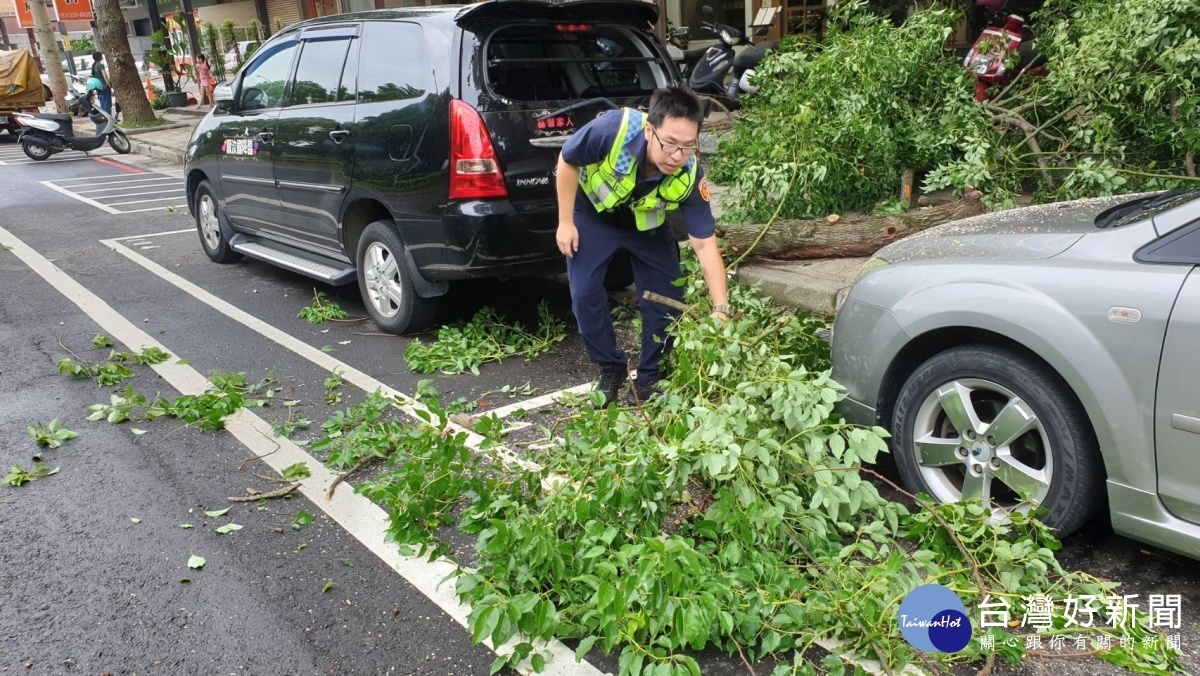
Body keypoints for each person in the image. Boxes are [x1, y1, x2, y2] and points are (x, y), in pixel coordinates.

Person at [556, 86, 731, 406]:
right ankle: (610, 367)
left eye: (688, 147)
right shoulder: (612, 131)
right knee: (584, 293)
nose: (677, 156)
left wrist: (721, 309)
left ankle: (652, 376)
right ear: (650, 130)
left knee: (668, 297)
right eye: (670, 144)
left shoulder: (691, 175)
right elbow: (567, 160)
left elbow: (706, 246)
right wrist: (565, 222)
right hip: (595, 215)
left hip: (646, 227)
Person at [90, 51, 112, 119]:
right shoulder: (100, 65)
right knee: (107, 104)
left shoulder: (94, 65)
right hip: (104, 86)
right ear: (100, 57)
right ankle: (109, 119)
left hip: (98, 87)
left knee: (102, 103)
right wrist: (109, 84)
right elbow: (105, 76)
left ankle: (104, 118)